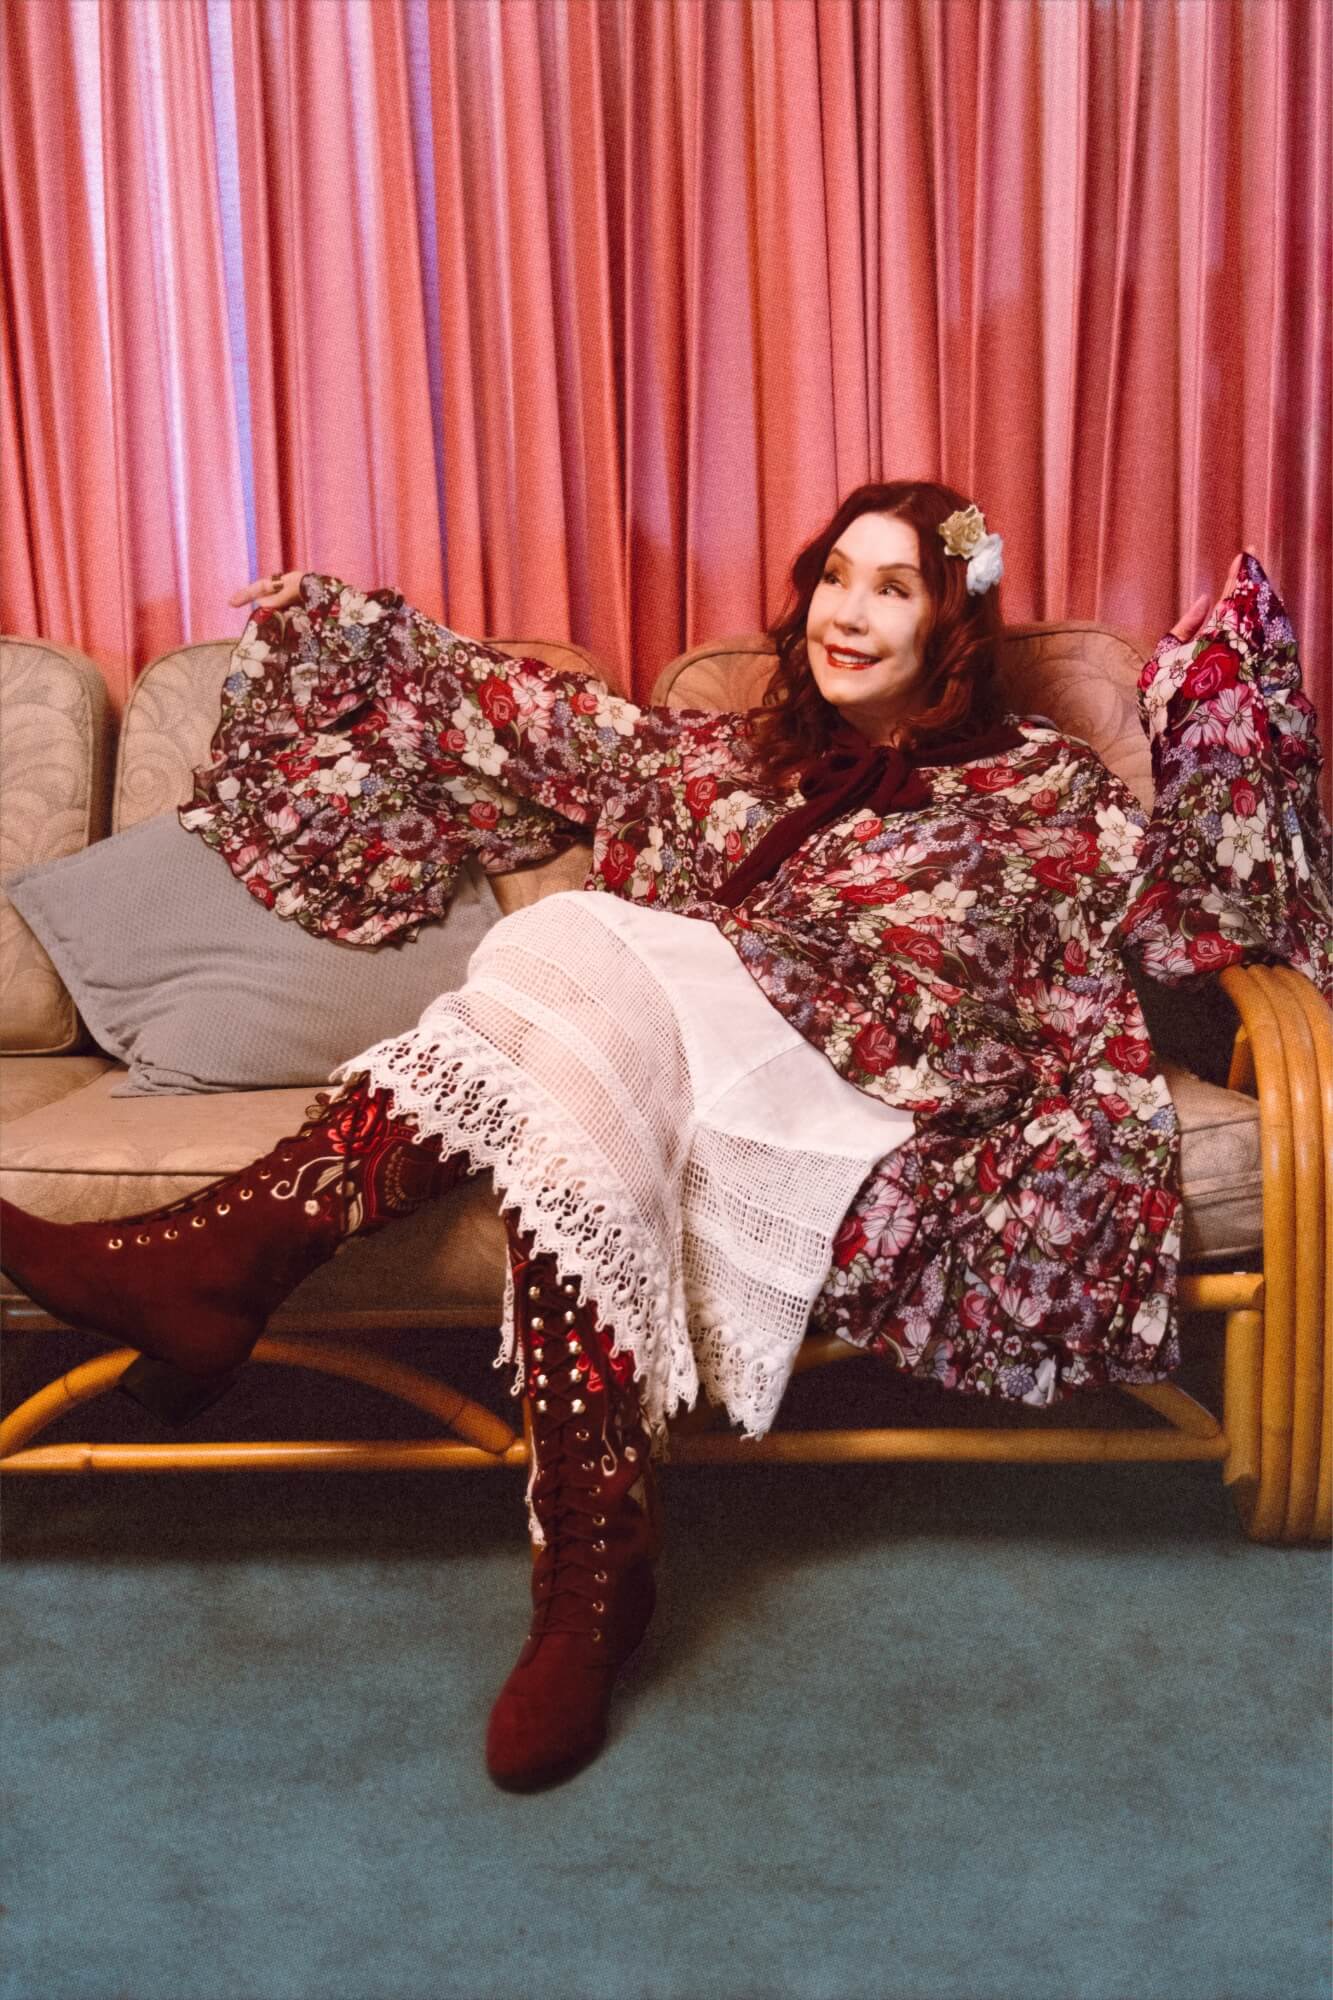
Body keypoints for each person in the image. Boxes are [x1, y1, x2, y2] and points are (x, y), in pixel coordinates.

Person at [3, 481, 1328, 1793]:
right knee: (586, 1058)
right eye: (832, 578)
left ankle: (219, 1260)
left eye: (892, 588)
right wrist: (348, 629)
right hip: (691, 1081)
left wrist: (1231, 707)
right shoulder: (711, 760)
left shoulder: (1046, 788)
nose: (847, 614)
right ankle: (591, 1563)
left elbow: (1201, 915)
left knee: (564, 937)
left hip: (871, 1101)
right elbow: (504, 713)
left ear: (952, 629)